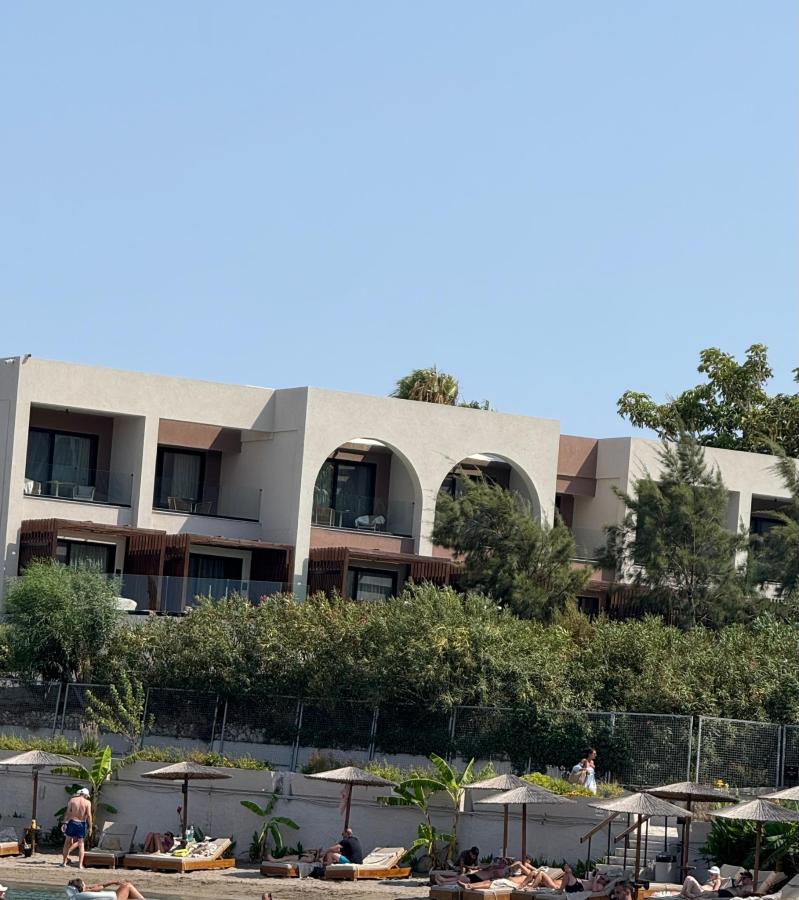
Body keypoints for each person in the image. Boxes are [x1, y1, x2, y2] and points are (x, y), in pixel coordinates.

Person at [61, 787, 93, 868]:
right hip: (81, 823)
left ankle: (64, 863)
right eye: (87, 796)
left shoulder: (72, 800)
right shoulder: (87, 802)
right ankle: (80, 865)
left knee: (67, 842)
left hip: (72, 822)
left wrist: (65, 823)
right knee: (81, 844)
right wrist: (90, 827)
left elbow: (68, 812)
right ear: (85, 795)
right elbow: (89, 815)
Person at [67, 877, 145, 899]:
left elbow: (98, 886)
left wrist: (113, 882)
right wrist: (113, 882)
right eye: (84, 884)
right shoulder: (86, 892)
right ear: (81, 886)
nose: (86, 884)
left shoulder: (79, 895)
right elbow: (99, 887)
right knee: (127, 886)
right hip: (115, 898)